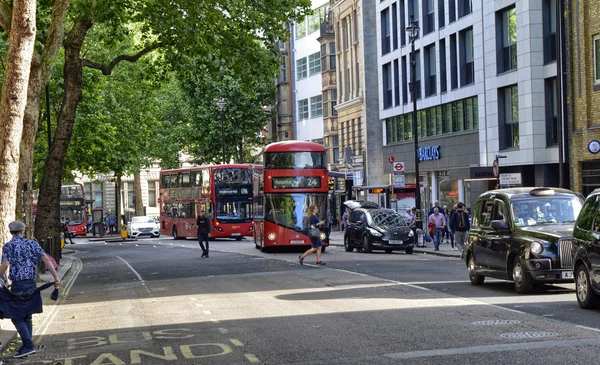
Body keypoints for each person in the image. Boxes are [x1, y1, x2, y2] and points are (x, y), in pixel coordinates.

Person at [0, 221, 60, 358]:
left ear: (11, 232)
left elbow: (4, 265)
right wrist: (56, 277)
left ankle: (28, 345)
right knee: (26, 315)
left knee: (16, 316)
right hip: (31, 284)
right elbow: (46, 260)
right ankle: (27, 345)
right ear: (22, 230)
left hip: (18, 285)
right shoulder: (32, 243)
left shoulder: (8, 246)